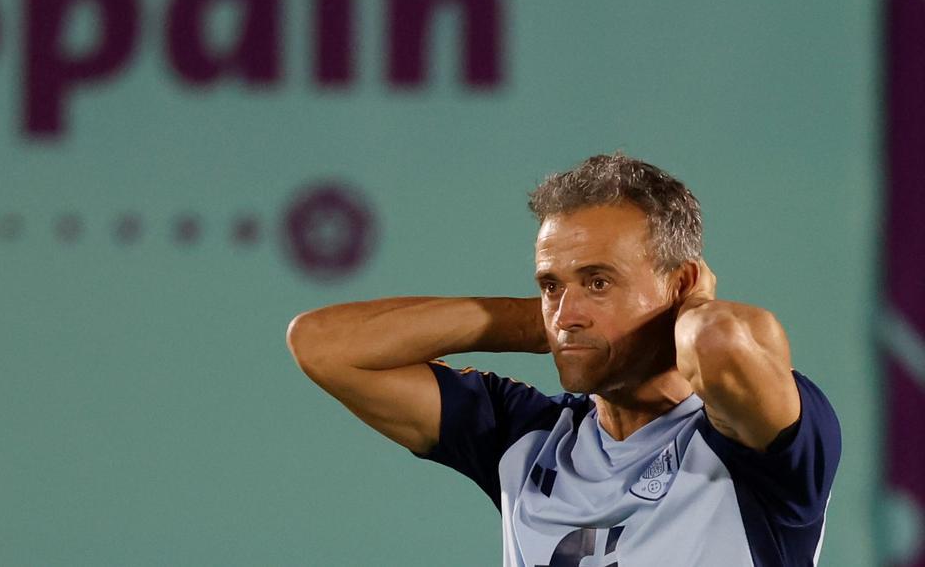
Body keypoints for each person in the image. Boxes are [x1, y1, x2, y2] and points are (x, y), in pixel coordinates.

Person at [286, 153, 841, 567]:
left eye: (598, 282)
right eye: (551, 285)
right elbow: (322, 344)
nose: (567, 312)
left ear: (683, 283)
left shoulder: (756, 446)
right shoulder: (524, 436)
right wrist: (544, 322)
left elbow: (717, 342)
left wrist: (687, 307)